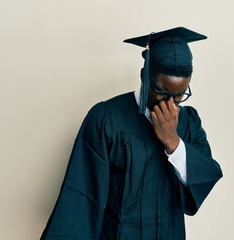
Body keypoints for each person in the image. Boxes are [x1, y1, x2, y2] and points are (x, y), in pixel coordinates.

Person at [40, 27, 223, 240]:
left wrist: (173, 142)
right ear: (144, 77)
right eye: (163, 93)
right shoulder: (106, 119)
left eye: (180, 95)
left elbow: (203, 178)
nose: (171, 104)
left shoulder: (189, 122)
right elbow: (81, 198)